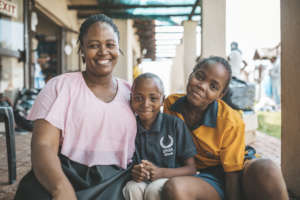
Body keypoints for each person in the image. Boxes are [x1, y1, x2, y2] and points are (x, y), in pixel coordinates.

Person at [14, 14, 137, 200]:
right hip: (68, 175)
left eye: (110, 44)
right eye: (94, 45)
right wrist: (60, 188)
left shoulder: (132, 93)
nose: (103, 51)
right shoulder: (60, 86)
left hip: (118, 180)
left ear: (118, 49)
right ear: (82, 50)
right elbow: (43, 145)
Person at [161, 56, 289, 200]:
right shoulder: (171, 104)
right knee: (174, 188)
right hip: (207, 176)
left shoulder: (230, 121)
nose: (202, 86)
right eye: (199, 76)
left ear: (220, 95)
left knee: (267, 169)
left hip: (237, 172)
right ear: (192, 74)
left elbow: (232, 173)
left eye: (213, 87)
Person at [122, 73, 197, 200]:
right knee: (131, 188)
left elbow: (192, 168)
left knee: (155, 188)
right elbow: (126, 167)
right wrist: (136, 172)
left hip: (170, 180)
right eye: (138, 98)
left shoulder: (174, 124)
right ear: (131, 99)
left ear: (163, 100)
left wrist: (161, 173)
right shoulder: (129, 127)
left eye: (153, 98)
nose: (145, 104)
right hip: (142, 181)